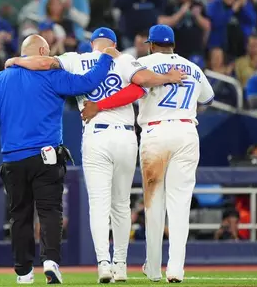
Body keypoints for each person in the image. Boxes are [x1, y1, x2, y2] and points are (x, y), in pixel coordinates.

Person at [6, 28, 185, 282]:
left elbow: (44, 61)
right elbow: (143, 81)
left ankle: (103, 264)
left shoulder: (76, 59)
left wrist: (16, 60)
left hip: (96, 135)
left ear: (92, 44)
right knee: (121, 205)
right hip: (125, 135)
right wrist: (168, 76)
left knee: (99, 205)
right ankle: (120, 265)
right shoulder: (122, 59)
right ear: (113, 43)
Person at [0, 35, 117, 284]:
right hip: (46, 157)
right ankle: (50, 261)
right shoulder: (51, 75)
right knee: (50, 211)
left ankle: (24, 272)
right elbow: (89, 83)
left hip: (13, 160)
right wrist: (106, 59)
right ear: (43, 51)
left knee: (19, 215)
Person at [81, 25, 214, 283]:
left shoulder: (143, 63)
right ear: (173, 44)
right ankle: (175, 269)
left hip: (155, 134)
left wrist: (100, 105)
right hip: (187, 131)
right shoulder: (193, 68)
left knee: (154, 204)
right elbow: (207, 99)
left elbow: (134, 89)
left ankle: (153, 269)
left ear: (151, 44)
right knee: (180, 205)